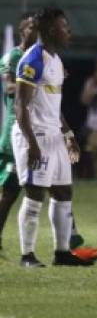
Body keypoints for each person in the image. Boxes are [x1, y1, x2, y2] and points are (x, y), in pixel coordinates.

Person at [13, 7, 95, 267]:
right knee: (35, 194)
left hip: (53, 134)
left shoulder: (56, 61)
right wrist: (32, 144)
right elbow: (20, 106)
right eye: (64, 27)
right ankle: (27, 255)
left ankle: (62, 253)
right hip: (34, 133)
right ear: (50, 30)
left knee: (63, 193)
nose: (68, 31)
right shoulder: (32, 60)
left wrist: (68, 133)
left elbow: (52, 105)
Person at [0, 13, 37, 251]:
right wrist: (33, 83)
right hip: (15, 130)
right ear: (22, 30)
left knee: (53, 186)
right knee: (10, 191)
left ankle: (69, 241)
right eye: (32, 27)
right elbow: (10, 86)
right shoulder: (13, 56)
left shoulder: (41, 56)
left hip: (37, 129)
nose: (36, 31)